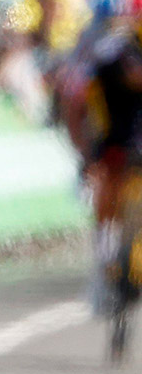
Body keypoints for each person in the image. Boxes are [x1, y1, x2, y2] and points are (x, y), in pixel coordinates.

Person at [60, 17, 142, 312]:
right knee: (106, 200)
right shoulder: (112, 51)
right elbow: (75, 99)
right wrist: (85, 153)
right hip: (114, 137)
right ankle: (103, 268)